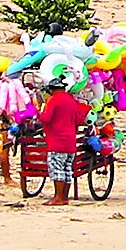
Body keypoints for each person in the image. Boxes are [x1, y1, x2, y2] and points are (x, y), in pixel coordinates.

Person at [36, 77, 90, 208]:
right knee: (67, 170)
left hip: (57, 140)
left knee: (57, 169)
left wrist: (38, 113)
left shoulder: (53, 100)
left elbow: (46, 118)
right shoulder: (71, 100)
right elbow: (78, 119)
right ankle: (64, 197)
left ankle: (58, 197)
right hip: (70, 140)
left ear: (51, 89)